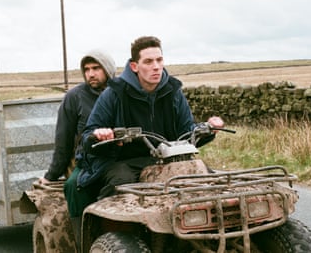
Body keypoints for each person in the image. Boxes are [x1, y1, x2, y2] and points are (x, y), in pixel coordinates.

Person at [79, 35, 224, 201]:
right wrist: (101, 134)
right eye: (148, 62)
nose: (156, 67)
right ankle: (111, 226)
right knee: (121, 184)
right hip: (123, 161)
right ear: (134, 66)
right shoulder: (114, 93)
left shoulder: (173, 91)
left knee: (208, 179)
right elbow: (87, 137)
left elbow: (187, 131)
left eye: (159, 60)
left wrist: (209, 129)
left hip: (166, 160)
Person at [37, 50, 116, 250]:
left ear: (108, 69)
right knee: (74, 186)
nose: (90, 74)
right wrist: (51, 175)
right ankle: (83, 241)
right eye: (86, 69)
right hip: (88, 162)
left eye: (96, 68)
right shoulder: (75, 97)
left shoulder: (122, 93)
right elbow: (63, 141)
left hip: (121, 159)